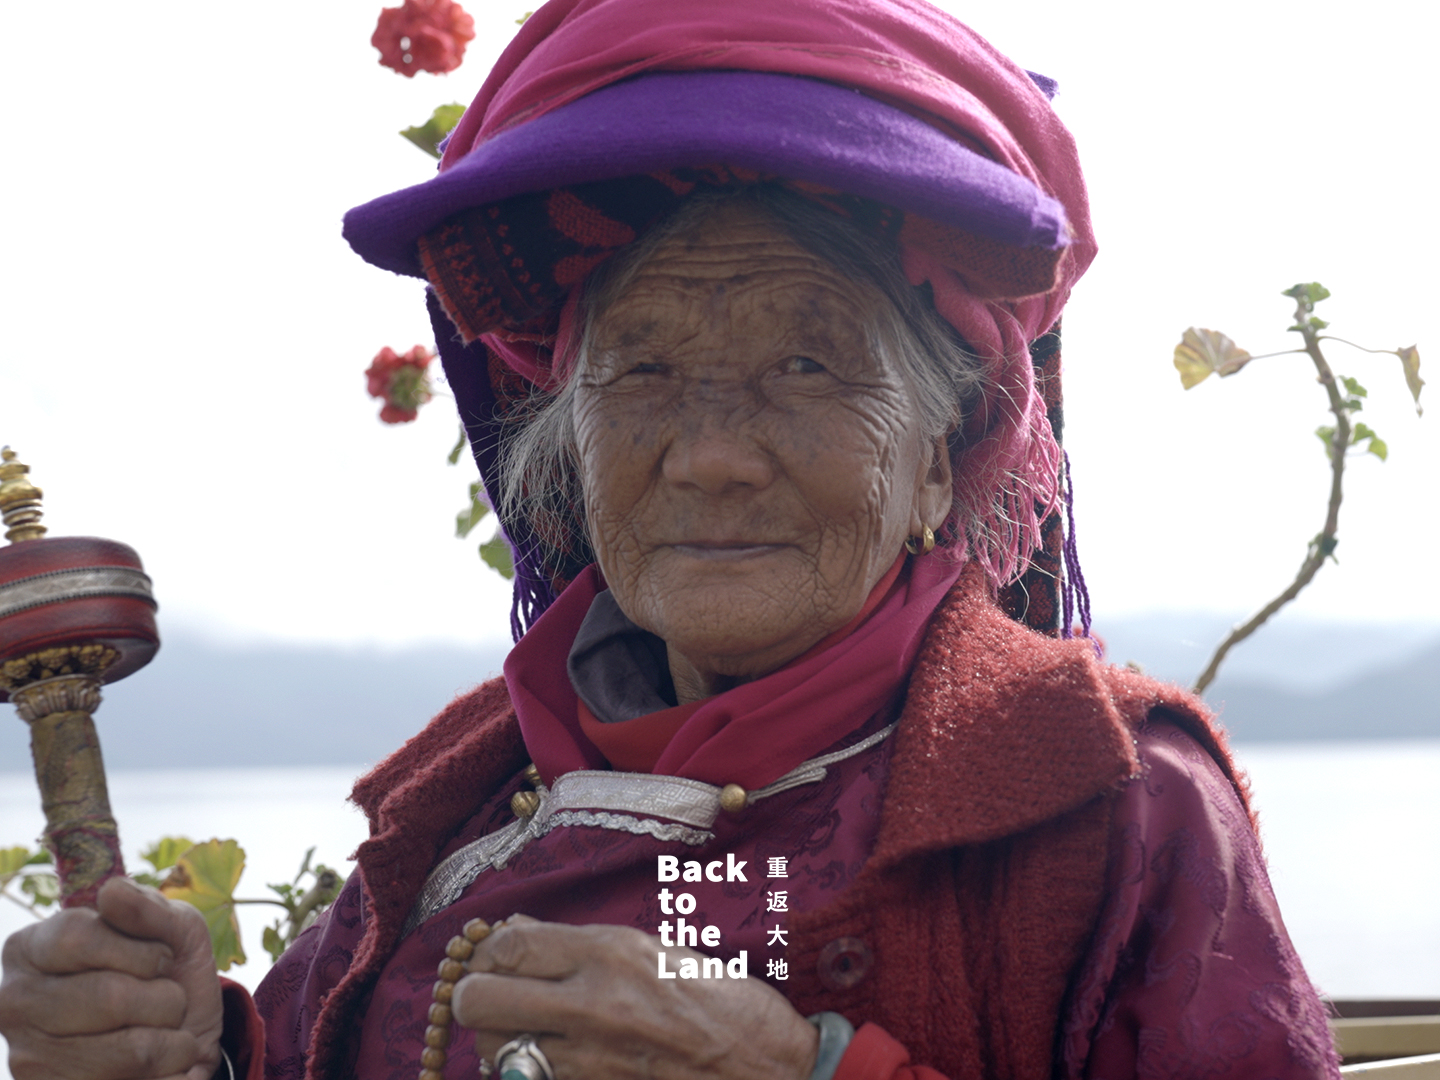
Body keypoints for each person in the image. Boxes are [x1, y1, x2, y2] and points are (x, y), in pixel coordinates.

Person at [0, 1, 1342, 1079]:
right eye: (640, 376)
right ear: (568, 458)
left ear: (938, 457)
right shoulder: (462, 807)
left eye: (809, 367)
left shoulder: (1107, 796)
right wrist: (186, 1052)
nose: (708, 452)